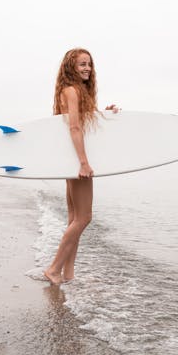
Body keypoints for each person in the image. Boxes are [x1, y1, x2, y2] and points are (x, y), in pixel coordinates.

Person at [44, 48, 119, 285]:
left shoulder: (69, 91)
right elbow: (74, 128)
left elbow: (81, 125)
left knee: (74, 217)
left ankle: (68, 274)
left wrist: (104, 115)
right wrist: (84, 163)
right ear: (71, 67)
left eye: (89, 64)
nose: (87, 68)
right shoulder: (72, 91)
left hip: (70, 160)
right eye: (82, 64)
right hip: (78, 162)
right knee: (84, 217)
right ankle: (54, 269)